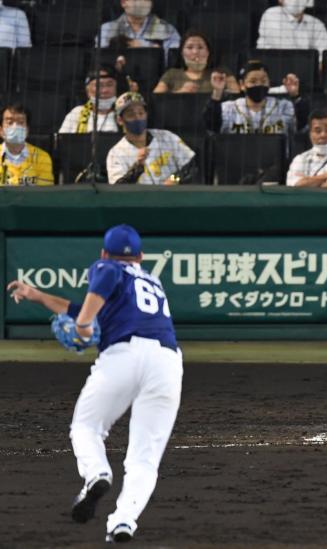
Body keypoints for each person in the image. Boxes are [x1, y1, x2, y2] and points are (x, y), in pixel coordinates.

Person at [6, 224, 182, 543]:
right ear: (141, 257)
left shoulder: (106, 266)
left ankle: (96, 473)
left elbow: (99, 288)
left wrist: (84, 325)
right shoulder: (151, 279)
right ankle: (123, 522)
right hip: (167, 362)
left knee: (85, 427)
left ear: (103, 252)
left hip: (123, 354)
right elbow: (83, 306)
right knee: (145, 457)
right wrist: (37, 295)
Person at [107, 92, 196, 185]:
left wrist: (174, 179)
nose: (137, 117)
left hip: (173, 196)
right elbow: (118, 189)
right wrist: (137, 167)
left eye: (141, 113)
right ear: (120, 120)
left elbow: (191, 165)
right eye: (131, 114)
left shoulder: (166, 137)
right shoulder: (116, 153)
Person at [204, 60, 309, 134]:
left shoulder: (283, 106)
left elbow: (302, 128)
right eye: (253, 81)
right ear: (242, 84)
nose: (259, 85)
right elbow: (212, 128)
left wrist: (295, 95)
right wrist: (217, 92)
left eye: (264, 81)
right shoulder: (228, 108)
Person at [154, 29, 240, 95]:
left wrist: (219, 92)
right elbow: (156, 100)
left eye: (200, 47)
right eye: (190, 47)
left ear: (208, 52)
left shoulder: (222, 72)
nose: (195, 52)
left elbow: (237, 99)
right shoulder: (171, 74)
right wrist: (179, 93)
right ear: (182, 53)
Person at [256, 0, 327, 70]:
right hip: (274, 69)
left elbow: (326, 54)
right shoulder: (271, 14)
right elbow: (287, 51)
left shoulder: (316, 23)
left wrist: (320, 65)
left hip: (306, 73)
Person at [97, 0, 181, 53]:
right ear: (123, 2)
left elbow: (175, 60)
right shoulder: (107, 29)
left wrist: (142, 45)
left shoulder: (167, 30)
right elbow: (100, 61)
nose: (143, 2)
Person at [0, 103, 53, 186]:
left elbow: (44, 195)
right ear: (1, 130)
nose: (15, 127)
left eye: (20, 123)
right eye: (10, 122)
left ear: (27, 130)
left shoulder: (42, 157)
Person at [60, 66, 123, 134]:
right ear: (87, 90)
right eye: (99, 85)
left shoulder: (126, 114)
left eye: (109, 85)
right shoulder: (76, 114)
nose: (105, 90)